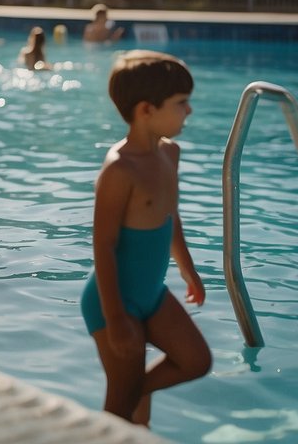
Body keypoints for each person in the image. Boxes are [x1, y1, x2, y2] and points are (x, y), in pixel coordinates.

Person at [80, 51, 211, 425]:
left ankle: (137, 394)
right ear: (145, 110)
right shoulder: (120, 169)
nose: (189, 111)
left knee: (196, 360)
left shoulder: (170, 153)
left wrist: (188, 270)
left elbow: (171, 217)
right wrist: (116, 317)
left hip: (152, 294)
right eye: (181, 103)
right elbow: (103, 244)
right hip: (114, 300)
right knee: (120, 407)